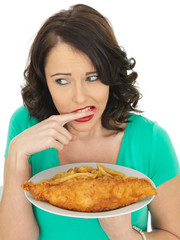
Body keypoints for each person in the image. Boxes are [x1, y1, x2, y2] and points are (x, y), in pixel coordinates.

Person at [0, 4, 179, 240]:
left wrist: (126, 236)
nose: (80, 97)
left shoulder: (151, 140)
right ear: (45, 82)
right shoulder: (25, 124)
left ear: (111, 75)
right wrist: (17, 154)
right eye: (62, 81)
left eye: (92, 77)